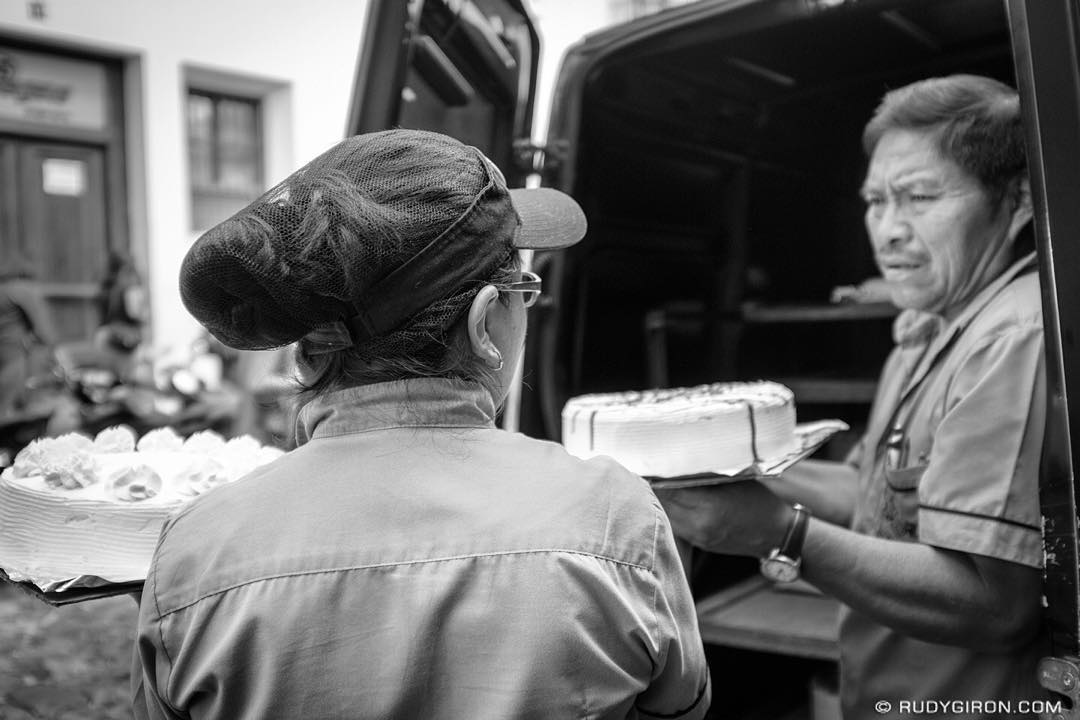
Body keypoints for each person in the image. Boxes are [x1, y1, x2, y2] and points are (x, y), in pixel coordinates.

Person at [131, 129, 711, 720]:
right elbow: (678, 710)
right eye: (524, 291)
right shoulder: (617, 520)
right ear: (486, 323)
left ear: (306, 349)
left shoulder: (193, 551)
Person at [658, 75, 1050, 719]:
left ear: (1017, 199)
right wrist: (717, 471)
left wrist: (783, 536)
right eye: (874, 201)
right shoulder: (928, 329)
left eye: (919, 197)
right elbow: (869, 494)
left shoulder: (1014, 337)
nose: (888, 230)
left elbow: (995, 604)